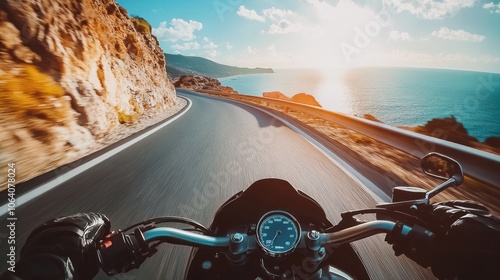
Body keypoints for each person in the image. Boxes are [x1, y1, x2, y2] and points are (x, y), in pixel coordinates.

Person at [1, 202, 499, 280]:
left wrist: (126, 242)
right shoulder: (319, 241)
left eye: (283, 234)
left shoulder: (225, 240)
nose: (276, 239)